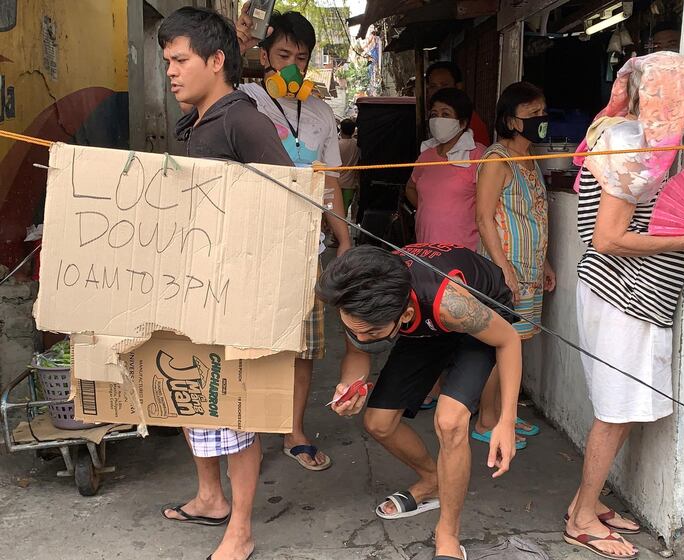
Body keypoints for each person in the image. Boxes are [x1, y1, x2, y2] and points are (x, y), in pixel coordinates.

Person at [565, 53, 684, 560]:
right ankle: (583, 519)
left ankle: (582, 504)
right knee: (614, 412)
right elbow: (608, 238)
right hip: (621, 292)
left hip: (624, 291)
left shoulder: (623, 133)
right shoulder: (632, 143)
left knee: (622, 408)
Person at [157, 8, 293, 560]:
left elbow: (288, 199)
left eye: (180, 60)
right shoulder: (194, 123)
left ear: (216, 61)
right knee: (195, 397)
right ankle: (210, 497)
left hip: (235, 293)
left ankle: (240, 528)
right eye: (167, 60)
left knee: (234, 410)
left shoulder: (244, 121)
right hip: (194, 288)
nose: (170, 71)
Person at [318, 243, 522, 560]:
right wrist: (350, 385)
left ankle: (448, 535)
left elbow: (508, 339)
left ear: (406, 315)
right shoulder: (357, 300)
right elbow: (357, 352)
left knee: (451, 422)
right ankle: (434, 479)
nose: (362, 336)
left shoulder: (450, 304)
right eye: (353, 328)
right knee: (378, 423)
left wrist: (506, 420)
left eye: (372, 332)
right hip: (427, 323)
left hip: (480, 317)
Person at [236, 6, 353, 471]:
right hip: (248, 245)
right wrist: (237, 41)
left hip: (305, 248)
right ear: (264, 55)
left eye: (301, 58)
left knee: (303, 345)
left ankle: (294, 430)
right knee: (249, 342)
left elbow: (330, 183)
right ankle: (243, 425)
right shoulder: (242, 101)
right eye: (283, 53)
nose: (293, 65)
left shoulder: (322, 113)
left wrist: (343, 241)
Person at [473, 82, 555, 447]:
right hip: (506, 270)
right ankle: (486, 420)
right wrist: (502, 267)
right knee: (501, 345)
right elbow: (484, 217)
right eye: (533, 114)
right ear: (511, 120)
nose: (542, 119)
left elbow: (533, 215)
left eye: (543, 112)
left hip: (530, 268)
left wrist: (546, 262)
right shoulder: (496, 159)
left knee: (516, 342)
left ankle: (506, 415)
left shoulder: (529, 158)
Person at [405, 88, 486, 250]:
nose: (438, 120)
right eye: (434, 114)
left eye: (446, 114)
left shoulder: (478, 155)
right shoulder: (426, 155)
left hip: (464, 250)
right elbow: (410, 187)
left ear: (462, 123)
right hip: (425, 247)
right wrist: (429, 211)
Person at [425, 61, 491, 146]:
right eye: (433, 86)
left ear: (459, 86)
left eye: (444, 85)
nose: (438, 91)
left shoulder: (471, 122)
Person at [338, 118, 360, 218]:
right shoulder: (357, 145)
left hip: (336, 182)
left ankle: (333, 231)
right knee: (344, 210)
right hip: (350, 184)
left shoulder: (336, 145)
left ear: (341, 130)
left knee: (333, 209)